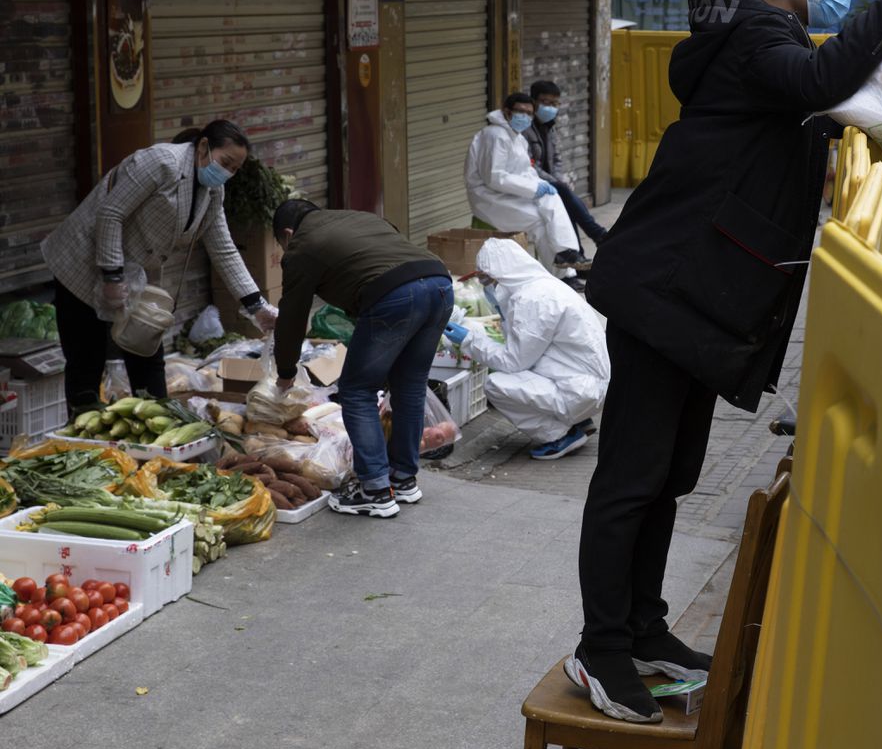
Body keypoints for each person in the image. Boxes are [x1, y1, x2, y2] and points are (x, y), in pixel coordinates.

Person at [570, 0, 882, 723]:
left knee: (670, 474)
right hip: (667, 291)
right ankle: (600, 647)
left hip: (698, 296)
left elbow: (825, 96)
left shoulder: (773, 41)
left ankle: (645, 627)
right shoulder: (760, 40)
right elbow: (826, 79)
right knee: (631, 477)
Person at [41, 120, 277, 408]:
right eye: (225, 162)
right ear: (204, 146)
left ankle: (157, 422)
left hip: (134, 273)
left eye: (234, 169)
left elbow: (223, 249)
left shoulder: (213, 191)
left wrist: (256, 306)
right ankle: (83, 429)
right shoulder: (160, 162)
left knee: (147, 353)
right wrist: (111, 276)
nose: (227, 173)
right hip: (82, 262)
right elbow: (111, 213)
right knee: (86, 359)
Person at [271, 200, 452, 519]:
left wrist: (285, 372)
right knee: (409, 385)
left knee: (357, 389)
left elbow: (292, 316)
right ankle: (403, 479)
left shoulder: (301, 245)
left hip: (396, 295)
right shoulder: (358, 217)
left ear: (287, 233)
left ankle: (375, 491)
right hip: (439, 282)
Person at [453, 239, 608, 460]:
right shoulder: (541, 287)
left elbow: (513, 362)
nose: (486, 286)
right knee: (520, 371)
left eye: (486, 279)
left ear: (502, 275)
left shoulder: (532, 300)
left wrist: (469, 339)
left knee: (496, 385)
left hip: (579, 390)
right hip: (584, 384)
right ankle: (578, 420)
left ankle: (559, 435)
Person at [466, 93, 586, 289]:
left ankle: (567, 257)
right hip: (488, 197)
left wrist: (538, 185)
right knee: (540, 221)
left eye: (529, 113)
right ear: (507, 112)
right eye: (521, 112)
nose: (526, 117)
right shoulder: (495, 135)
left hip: (509, 194)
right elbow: (494, 177)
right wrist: (533, 188)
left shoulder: (517, 138)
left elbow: (525, 172)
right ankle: (563, 272)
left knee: (552, 195)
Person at [525, 80, 608, 245]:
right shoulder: (525, 129)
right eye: (545, 102)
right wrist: (554, 181)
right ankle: (597, 234)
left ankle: (579, 256)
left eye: (554, 103)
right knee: (564, 193)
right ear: (533, 102)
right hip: (531, 182)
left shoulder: (550, 127)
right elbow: (528, 164)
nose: (550, 107)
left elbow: (556, 158)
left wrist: (556, 178)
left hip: (550, 181)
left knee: (566, 200)